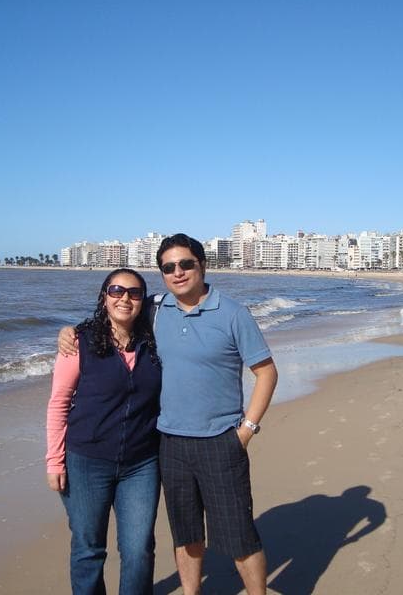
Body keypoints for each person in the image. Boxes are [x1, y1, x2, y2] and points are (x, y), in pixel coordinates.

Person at [59, 234, 278, 595]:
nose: (178, 272)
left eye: (186, 264)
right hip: (169, 444)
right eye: (168, 267)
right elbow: (115, 314)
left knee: (239, 536)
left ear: (202, 265)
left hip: (221, 441)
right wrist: (70, 332)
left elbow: (266, 372)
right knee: (186, 534)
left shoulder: (233, 314)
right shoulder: (156, 310)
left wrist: (247, 429)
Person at [47, 268, 162, 595]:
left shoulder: (155, 342)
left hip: (142, 463)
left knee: (139, 549)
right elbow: (59, 403)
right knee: (89, 548)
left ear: (143, 301)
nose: (125, 298)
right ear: (104, 297)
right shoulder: (79, 342)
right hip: (86, 461)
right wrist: (54, 461)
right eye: (116, 291)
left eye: (134, 293)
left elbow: (184, 302)